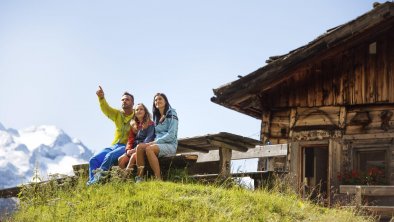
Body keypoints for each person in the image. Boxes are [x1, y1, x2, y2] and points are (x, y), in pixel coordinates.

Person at [87, 86, 135, 185]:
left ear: (132, 103)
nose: (124, 101)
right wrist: (101, 98)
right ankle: (92, 183)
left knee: (110, 156)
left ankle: (98, 180)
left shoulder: (136, 116)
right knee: (93, 160)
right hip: (114, 145)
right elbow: (106, 109)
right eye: (122, 100)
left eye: (127, 99)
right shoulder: (117, 114)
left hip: (126, 146)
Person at [136, 93, 178, 181]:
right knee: (139, 147)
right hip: (158, 144)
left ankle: (158, 178)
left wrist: (155, 142)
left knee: (149, 149)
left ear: (165, 101)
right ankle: (139, 178)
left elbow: (171, 135)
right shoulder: (156, 117)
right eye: (155, 100)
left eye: (160, 99)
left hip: (170, 144)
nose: (157, 101)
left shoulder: (171, 113)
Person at [117, 103, 155, 172]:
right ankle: (125, 180)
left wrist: (135, 149)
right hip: (133, 149)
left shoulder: (150, 123)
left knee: (133, 157)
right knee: (121, 159)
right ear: (135, 112)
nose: (139, 111)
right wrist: (128, 150)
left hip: (143, 148)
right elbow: (130, 140)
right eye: (137, 110)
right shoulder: (134, 125)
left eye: (141, 109)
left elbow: (149, 138)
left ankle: (129, 177)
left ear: (145, 111)